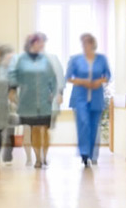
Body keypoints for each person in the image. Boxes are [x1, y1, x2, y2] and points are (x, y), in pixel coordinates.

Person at [10, 33, 60, 169]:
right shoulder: (21, 60)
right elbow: (14, 75)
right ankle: (37, 158)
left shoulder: (45, 60)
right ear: (32, 43)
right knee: (35, 130)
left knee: (45, 129)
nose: (42, 45)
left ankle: (44, 155)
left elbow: (53, 78)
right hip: (28, 101)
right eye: (40, 43)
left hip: (44, 101)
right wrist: (12, 90)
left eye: (43, 43)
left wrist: (54, 93)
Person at [65, 33, 111, 167]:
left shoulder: (101, 59)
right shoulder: (75, 59)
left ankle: (92, 154)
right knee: (83, 123)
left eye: (87, 43)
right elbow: (68, 78)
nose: (85, 45)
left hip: (96, 96)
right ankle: (84, 153)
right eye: (83, 43)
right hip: (80, 96)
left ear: (93, 44)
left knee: (93, 126)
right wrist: (81, 81)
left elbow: (108, 75)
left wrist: (100, 81)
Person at [0, 45, 18, 164]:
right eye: (9, 58)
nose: (11, 60)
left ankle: (7, 155)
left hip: (10, 104)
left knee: (11, 127)